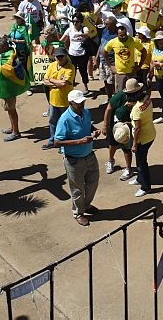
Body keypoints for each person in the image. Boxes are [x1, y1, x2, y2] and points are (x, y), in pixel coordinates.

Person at [53, 89, 102, 226]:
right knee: (77, 188)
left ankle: (86, 205)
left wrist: (94, 129)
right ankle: (78, 213)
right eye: (78, 103)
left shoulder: (85, 112)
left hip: (89, 154)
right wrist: (79, 141)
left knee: (94, 181)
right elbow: (57, 142)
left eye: (83, 102)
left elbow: (88, 125)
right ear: (70, 103)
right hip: (73, 159)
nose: (81, 105)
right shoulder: (65, 119)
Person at [43, 45, 76, 148]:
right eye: (57, 56)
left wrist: (51, 80)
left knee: (65, 123)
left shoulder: (70, 67)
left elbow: (63, 84)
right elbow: (44, 81)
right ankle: (52, 141)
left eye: (61, 56)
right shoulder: (52, 65)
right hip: (53, 100)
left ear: (66, 56)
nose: (59, 58)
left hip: (65, 102)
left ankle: (64, 144)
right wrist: (56, 83)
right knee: (52, 121)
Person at [104, 78, 137, 179]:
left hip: (128, 126)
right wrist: (105, 125)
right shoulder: (119, 96)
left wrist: (131, 124)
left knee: (126, 148)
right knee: (112, 144)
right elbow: (108, 109)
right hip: (114, 124)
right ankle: (110, 160)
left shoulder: (140, 97)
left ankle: (128, 169)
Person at [129, 82, 155, 197]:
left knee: (141, 162)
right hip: (151, 133)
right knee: (139, 160)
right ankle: (140, 178)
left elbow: (138, 128)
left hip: (142, 138)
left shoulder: (136, 110)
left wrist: (134, 144)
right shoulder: (147, 98)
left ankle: (146, 187)